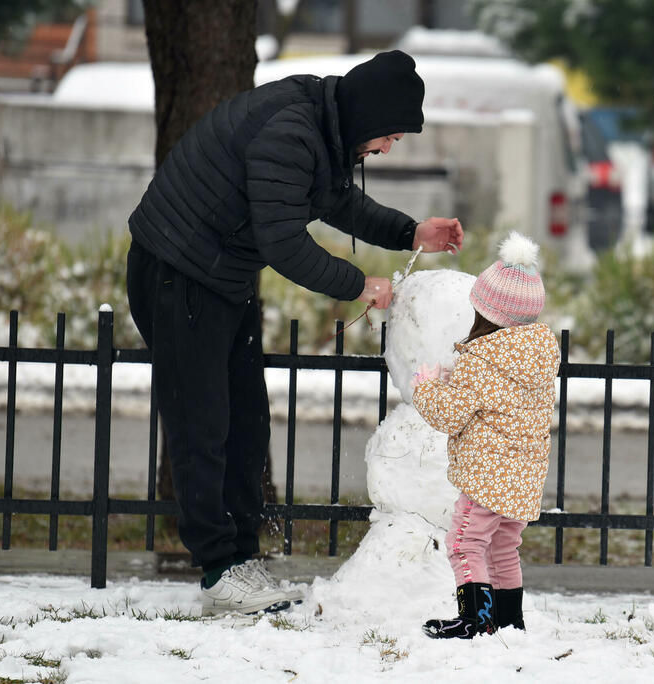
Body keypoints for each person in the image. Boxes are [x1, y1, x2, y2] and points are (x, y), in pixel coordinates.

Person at [125, 50, 463, 616]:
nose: (387, 148)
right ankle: (218, 570)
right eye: (390, 137)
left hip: (221, 276)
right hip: (178, 273)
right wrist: (357, 284)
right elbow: (283, 241)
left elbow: (335, 202)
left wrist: (410, 233)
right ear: (368, 117)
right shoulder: (290, 129)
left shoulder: (324, 127)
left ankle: (240, 559)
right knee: (203, 424)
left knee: (246, 422)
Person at [411, 232, 560, 639]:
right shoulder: (539, 357)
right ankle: (510, 620)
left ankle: (476, 620)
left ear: (485, 309)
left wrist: (426, 386)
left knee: (464, 541)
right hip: (523, 478)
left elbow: (448, 413)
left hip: (487, 476)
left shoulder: (483, 360)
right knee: (502, 547)